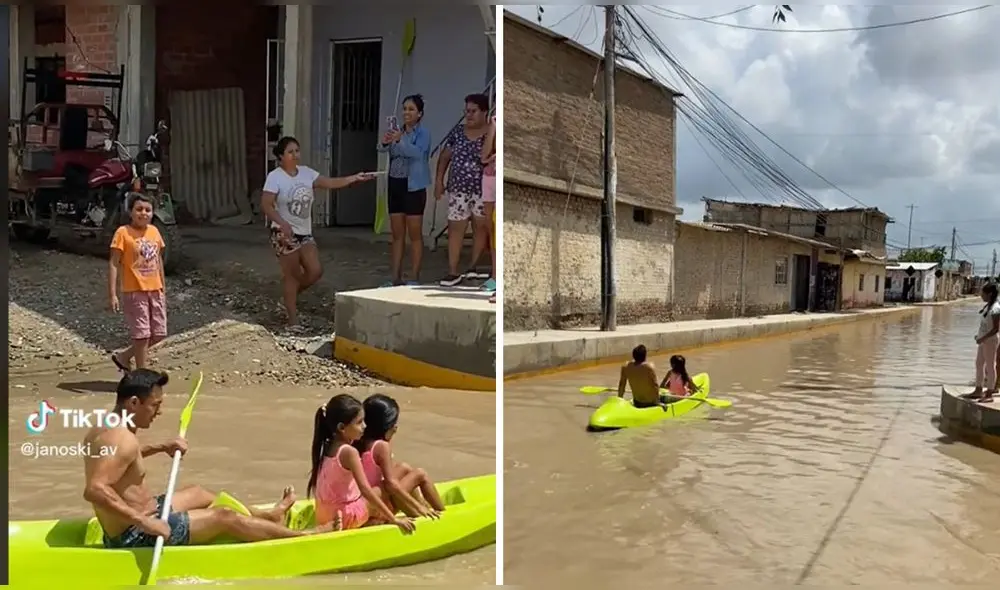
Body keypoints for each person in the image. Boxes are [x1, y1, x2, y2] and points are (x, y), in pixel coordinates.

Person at [82, 369, 339, 549]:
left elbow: (123, 459)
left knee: (198, 492)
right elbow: (95, 490)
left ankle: (266, 516)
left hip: (146, 513)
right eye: (155, 405)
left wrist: (162, 446)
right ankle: (303, 536)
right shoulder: (121, 438)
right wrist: (145, 522)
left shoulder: (104, 427)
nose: (159, 412)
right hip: (136, 534)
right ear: (134, 402)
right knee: (224, 516)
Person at [261, 137, 376, 328]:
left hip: (304, 231)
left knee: (315, 271)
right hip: (283, 232)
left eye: (297, 151)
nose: (295, 155)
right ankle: (292, 319)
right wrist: (282, 223)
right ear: (281, 156)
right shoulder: (275, 177)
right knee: (292, 274)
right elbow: (266, 204)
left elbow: (330, 183)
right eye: (290, 152)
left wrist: (354, 178)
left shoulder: (306, 173)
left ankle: (290, 298)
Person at [306, 394, 416, 534]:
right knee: (381, 489)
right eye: (359, 422)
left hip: (323, 516)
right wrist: (394, 520)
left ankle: (375, 520)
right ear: (341, 428)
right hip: (344, 518)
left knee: (385, 484)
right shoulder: (348, 452)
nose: (364, 426)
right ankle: (392, 518)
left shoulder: (326, 446)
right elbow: (366, 490)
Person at [353, 394, 446, 520]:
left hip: (364, 502)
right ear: (387, 425)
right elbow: (391, 484)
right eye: (393, 424)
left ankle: (421, 504)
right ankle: (440, 513)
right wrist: (418, 507)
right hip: (378, 508)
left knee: (404, 467)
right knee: (420, 474)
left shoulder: (358, 441)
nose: (396, 427)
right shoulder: (381, 446)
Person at [435, 93, 491, 287]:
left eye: (473, 111)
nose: (469, 115)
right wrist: (439, 181)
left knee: (480, 227)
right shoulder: (458, 133)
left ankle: (473, 267)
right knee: (455, 228)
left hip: (482, 189)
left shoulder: (491, 133)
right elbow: (444, 157)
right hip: (458, 189)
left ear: (484, 112)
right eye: (466, 111)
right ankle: (452, 270)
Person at [378, 94, 432, 287]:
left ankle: (414, 276)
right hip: (396, 183)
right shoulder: (397, 131)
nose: (406, 113)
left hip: (414, 185)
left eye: (411, 109)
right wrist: (386, 141)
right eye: (404, 109)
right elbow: (382, 149)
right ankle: (395, 277)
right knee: (397, 234)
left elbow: (417, 154)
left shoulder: (423, 134)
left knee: (414, 233)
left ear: (420, 113)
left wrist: (401, 141)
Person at [109, 194, 167, 372]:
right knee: (142, 335)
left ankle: (124, 357)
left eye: (148, 210)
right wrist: (113, 294)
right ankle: (143, 374)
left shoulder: (154, 232)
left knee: (158, 334)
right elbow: (113, 263)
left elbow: (158, 260)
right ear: (131, 212)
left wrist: (163, 287)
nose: (143, 213)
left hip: (155, 290)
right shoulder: (122, 233)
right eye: (139, 209)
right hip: (134, 291)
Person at [965, 283, 1000, 402]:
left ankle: (989, 394)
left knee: (990, 366)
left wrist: (983, 337)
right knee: (979, 364)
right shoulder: (987, 307)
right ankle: (978, 390)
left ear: (989, 294)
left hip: (990, 341)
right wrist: (979, 336)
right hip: (983, 340)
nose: (981, 295)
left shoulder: (996, 308)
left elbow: (995, 329)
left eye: (983, 293)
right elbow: (985, 325)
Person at [480, 114, 497, 296]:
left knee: (498, 225)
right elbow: (484, 156)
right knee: (490, 227)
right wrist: (492, 127)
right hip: (489, 178)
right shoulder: (493, 124)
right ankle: (494, 275)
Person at [617, 345, 665, 409]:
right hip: (650, 403)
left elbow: (622, 385)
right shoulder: (649, 367)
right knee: (664, 397)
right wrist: (658, 402)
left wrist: (619, 400)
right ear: (645, 356)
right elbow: (655, 385)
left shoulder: (626, 367)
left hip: (637, 402)